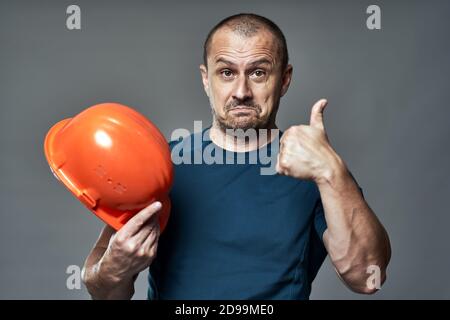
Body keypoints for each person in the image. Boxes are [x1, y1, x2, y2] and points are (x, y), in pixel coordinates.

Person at [82, 13, 391, 300]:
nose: (241, 91)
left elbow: (367, 278)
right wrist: (114, 266)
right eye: (227, 72)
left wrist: (330, 171)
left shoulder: (317, 168)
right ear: (206, 79)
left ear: (284, 79)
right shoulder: (161, 164)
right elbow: (103, 290)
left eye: (258, 72)